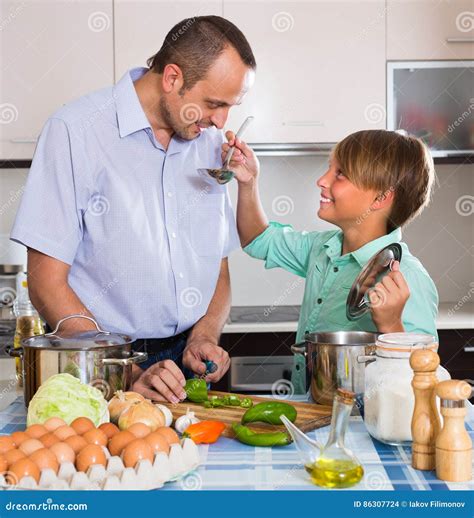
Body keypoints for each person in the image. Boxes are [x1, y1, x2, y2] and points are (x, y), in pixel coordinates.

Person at [10, 16, 256, 402]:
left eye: (230, 106)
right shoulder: (75, 131)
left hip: (186, 373)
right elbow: (46, 281)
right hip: (98, 364)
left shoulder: (208, 144)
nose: (221, 122)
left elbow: (217, 263)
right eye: (214, 104)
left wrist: (205, 334)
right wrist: (122, 370)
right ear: (172, 78)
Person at [223, 129, 439, 393]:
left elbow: (422, 387)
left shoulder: (407, 277)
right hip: (310, 413)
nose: (321, 181)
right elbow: (258, 239)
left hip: (360, 426)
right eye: (329, 168)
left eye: (340, 174)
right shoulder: (323, 248)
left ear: (381, 197)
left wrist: (391, 325)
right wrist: (248, 181)